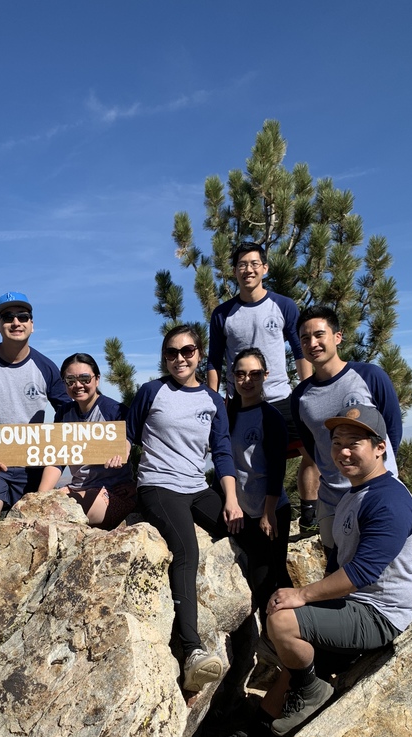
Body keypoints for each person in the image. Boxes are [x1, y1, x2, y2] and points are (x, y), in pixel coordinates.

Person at [195, 405, 412, 737]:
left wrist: (301, 596)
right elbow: (338, 561)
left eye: (355, 443)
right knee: (291, 671)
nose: (343, 450)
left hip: (379, 613)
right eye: (337, 442)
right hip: (355, 606)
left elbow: (362, 571)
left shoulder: (388, 500)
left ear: (380, 448)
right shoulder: (356, 493)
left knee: (283, 623)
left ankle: (310, 692)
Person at [126, 324, 242, 692]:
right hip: (159, 486)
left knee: (241, 531)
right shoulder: (151, 392)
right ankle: (192, 651)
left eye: (188, 351)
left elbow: (222, 453)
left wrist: (232, 502)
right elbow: (126, 436)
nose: (180, 358)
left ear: (199, 354)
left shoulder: (213, 400)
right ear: (165, 357)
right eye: (172, 352)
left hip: (197, 486)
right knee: (186, 549)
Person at [206, 242, 319, 534]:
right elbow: (214, 361)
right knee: (243, 462)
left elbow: (299, 351)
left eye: (255, 264)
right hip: (240, 402)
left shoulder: (283, 305)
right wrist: (213, 400)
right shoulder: (222, 314)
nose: (248, 270)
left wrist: (305, 391)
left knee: (311, 451)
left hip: (281, 397)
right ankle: (240, 516)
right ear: (234, 271)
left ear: (265, 268)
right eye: (242, 264)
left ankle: (309, 515)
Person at [291, 305, 403, 551]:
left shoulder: (370, 376)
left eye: (319, 335)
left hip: (377, 494)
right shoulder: (300, 396)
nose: (313, 343)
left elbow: (392, 429)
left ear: (337, 337)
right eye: (305, 338)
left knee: (376, 571)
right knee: (335, 568)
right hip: (332, 501)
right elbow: (314, 445)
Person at [0, 291, 68, 531]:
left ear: (32, 325)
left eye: (23, 317)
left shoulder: (46, 367)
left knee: (33, 528)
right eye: (8, 317)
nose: (16, 322)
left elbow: (67, 416)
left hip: (33, 463)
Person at [228, 348, 292, 630]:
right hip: (242, 512)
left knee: (272, 577)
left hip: (270, 511)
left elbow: (278, 467)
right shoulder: (228, 415)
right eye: (241, 374)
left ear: (265, 376)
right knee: (256, 576)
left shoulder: (271, 417)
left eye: (254, 374)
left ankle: (288, 635)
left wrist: (268, 512)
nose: (247, 380)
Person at [37, 353, 137, 529]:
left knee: (62, 512)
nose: (78, 385)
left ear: (97, 379)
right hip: (77, 488)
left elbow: (146, 449)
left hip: (112, 493)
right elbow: (58, 459)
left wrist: (138, 486)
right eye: (70, 380)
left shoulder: (115, 412)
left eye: (85, 378)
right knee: (41, 508)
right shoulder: (64, 413)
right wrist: (40, 497)